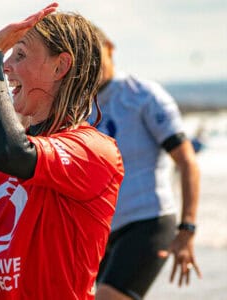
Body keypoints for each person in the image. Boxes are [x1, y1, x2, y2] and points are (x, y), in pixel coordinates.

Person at [0, 3, 124, 299]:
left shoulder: (93, 152)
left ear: (60, 66)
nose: (7, 67)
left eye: (19, 55)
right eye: (6, 57)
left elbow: (12, 152)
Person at [91, 26, 202, 300]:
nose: (91, 62)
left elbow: (187, 160)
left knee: (108, 296)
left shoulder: (143, 95)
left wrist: (187, 229)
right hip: (102, 230)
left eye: (96, 53)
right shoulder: (79, 106)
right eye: (84, 55)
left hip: (149, 219)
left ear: (110, 49)